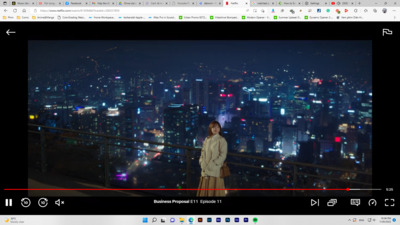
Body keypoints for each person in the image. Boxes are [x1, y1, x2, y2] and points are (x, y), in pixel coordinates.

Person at [196, 121, 228, 197]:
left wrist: (213, 164)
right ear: (210, 129)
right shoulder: (207, 139)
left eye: (217, 127)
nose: (215, 129)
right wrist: (202, 162)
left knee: (214, 189)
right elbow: (203, 152)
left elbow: (223, 155)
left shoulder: (221, 140)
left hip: (215, 169)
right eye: (213, 127)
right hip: (205, 168)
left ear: (220, 128)